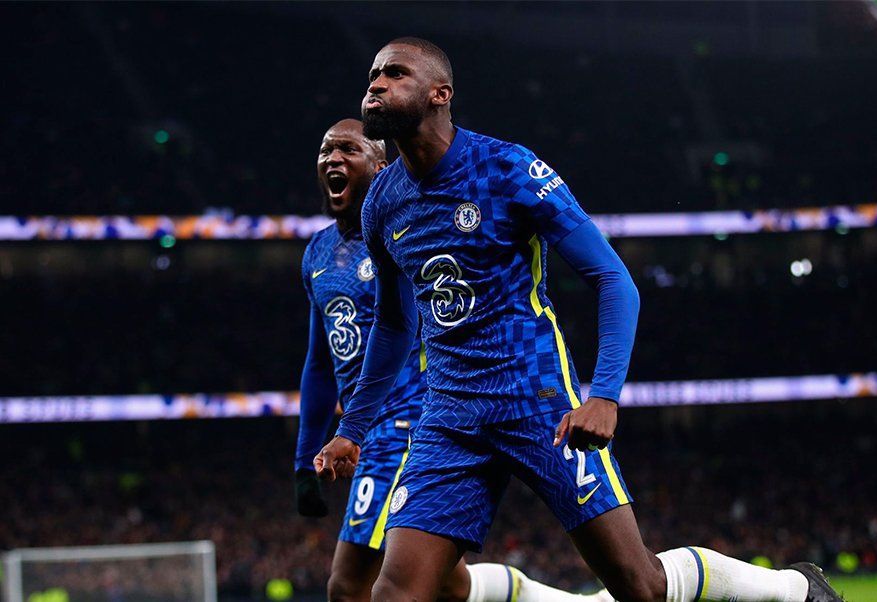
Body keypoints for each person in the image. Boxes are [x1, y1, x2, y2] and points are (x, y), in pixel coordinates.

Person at [314, 38, 843, 602]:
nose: (376, 83)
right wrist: (352, 429)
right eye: (374, 74)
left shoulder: (507, 168)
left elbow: (614, 279)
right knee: (395, 593)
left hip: (536, 400)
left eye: (395, 73)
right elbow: (395, 327)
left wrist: (605, 395)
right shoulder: (382, 201)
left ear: (440, 94)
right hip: (448, 417)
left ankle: (794, 588)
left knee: (641, 587)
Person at [297, 118, 610, 602]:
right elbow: (320, 364)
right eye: (326, 150)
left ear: (381, 167)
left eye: (348, 149)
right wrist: (306, 457)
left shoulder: (412, 229)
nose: (333, 159)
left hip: (411, 421)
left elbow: (406, 325)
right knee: (445, 583)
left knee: (349, 585)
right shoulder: (317, 252)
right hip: (369, 428)